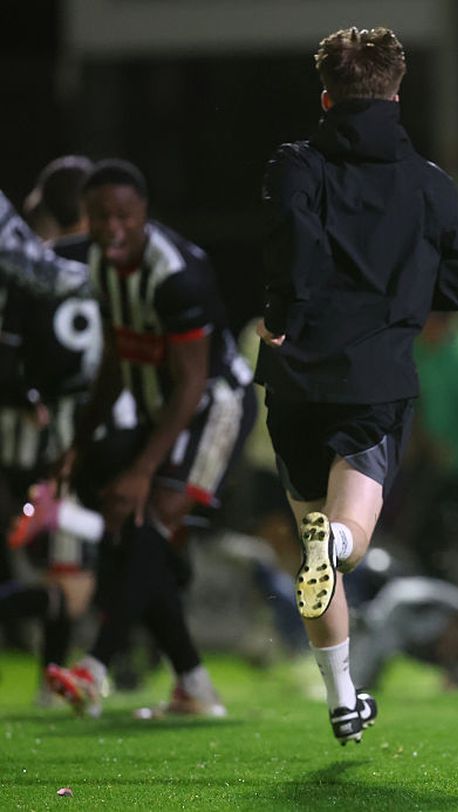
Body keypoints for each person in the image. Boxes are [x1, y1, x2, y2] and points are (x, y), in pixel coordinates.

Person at [256, 27, 458, 745]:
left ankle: (342, 699)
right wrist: (407, 298)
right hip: (375, 378)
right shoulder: (428, 181)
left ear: (327, 97)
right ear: (396, 91)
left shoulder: (295, 163)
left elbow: (291, 244)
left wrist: (281, 314)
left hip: (294, 377)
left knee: (313, 549)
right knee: (342, 545)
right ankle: (336, 546)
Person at [36, 159, 256, 717]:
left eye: (123, 216)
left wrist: (141, 471)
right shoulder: (101, 262)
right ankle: (193, 685)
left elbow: (192, 383)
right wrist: (79, 443)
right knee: (131, 534)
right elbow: (117, 357)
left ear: (144, 215)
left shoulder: (175, 275)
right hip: (165, 411)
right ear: (86, 217)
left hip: (213, 406)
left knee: (148, 517)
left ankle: (94, 668)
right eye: (100, 216)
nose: (112, 227)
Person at [0, 156, 107, 701]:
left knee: (73, 572)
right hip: (100, 433)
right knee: (84, 571)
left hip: (46, 438)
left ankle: (61, 676)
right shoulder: (115, 263)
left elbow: (11, 357)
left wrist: (25, 397)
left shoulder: (35, 267)